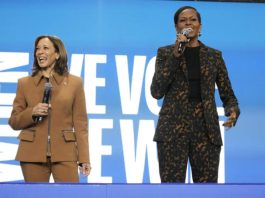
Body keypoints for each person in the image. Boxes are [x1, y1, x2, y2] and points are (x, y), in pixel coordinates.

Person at [150, 6, 240, 183]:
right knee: (171, 189)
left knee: (207, 190)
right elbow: (156, 91)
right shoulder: (166, 53)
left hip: (206, 131)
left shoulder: (214, 56)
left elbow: (228, 94)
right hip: (172, 132)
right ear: (176, 27)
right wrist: (177, 53)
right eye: (183, 20)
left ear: (200, 26)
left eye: (193, 19)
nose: (188, 23)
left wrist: (232, 110)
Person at [9, 35, 91, 182]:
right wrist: (31, 112)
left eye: (45, 48)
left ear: (58, 54)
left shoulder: (75, 83)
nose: (40, 52)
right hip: (32, 154)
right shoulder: (24, 83)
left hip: (65, 153)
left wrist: (84, 158)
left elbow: (81, 124)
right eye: (37, 49)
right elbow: (14, 121)